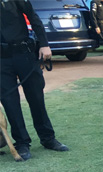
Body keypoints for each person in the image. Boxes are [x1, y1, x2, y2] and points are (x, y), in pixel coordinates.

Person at [0, 0, 70, 161]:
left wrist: (44, 44)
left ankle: (48, 138)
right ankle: (22, 143)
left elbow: (32, 16)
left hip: (23, 52)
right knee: (10, 103)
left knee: (36, 97)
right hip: (1, 59)